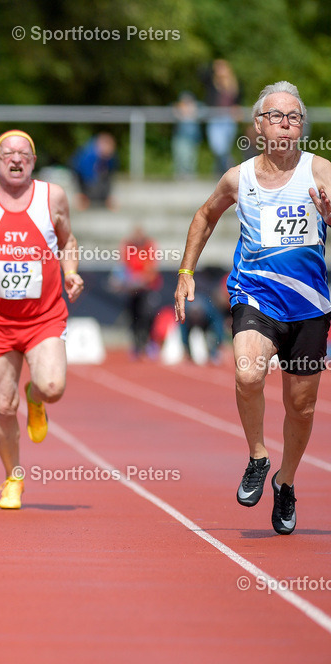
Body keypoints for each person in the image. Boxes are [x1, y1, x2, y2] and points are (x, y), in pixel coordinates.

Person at [174, 81, 331, 535]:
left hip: (310, 306)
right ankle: (259, 457)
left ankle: (286, 482)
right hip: (255, 297)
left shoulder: (320, 171)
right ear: (258, 126)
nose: (285, 124)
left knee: (301, 408)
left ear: (302, 127)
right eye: (276, 116)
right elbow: (205, 215)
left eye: (294, 117)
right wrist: (186, 273)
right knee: (247, 372)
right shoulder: (238, 178)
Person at [0, 130, 84, 510]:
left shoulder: (52, 196)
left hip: (43, 316)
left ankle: (37, 396)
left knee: (53, 386)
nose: (15, 158)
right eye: (7, 153)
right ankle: (13, 478)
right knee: (3, 406)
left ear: (32, 160)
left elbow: (68, 240)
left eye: (23, 153)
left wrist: (71, 271)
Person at [111, 225, 162, 359]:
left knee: (147, 316)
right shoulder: (128, 247)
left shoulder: (149, 246)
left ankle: (150, 342)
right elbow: (122, 266)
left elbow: (152, 269)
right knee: (133, 317)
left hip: (148, 289)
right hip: (132, 290)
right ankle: (136, 345)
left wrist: (140, 279)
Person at [201, 59, 241, 176]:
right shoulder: (211, 82)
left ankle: (220, 173)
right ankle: (230, 167)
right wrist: (213, 67)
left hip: (229, 120)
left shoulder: (234, 84)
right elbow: (201, 75)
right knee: (218, 148)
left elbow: (237, 101)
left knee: (225, 149)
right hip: (215, 119)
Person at [70, 132, 118, 210]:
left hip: (97, 177)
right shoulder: (88, 155)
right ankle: (83, 199)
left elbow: (111, 171)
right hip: (81, 176)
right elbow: (84, 175)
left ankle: (105, 199)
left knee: (106, 180)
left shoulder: (110, 157)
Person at [172, 91, 202, 179]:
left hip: (193, 137)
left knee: (191, 157)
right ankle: (181, 173)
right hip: (181, 137)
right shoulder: (177, 109)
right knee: (181, 155)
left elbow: (204, 111)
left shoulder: (197, 108)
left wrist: (193, 111)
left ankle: (190, 174)